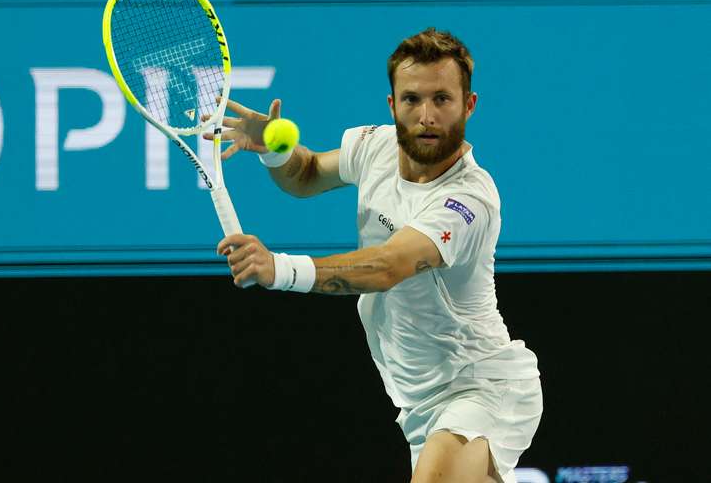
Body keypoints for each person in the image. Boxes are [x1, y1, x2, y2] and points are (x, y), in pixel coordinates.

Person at [210, 28, 542, 483]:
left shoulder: (469, 200)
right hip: (416, 400)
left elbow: (389, 266)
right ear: (392, 105)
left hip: (480, 385)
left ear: (469, 105)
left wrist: (280, 269)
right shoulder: (374, 146)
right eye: (412, 100)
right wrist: (273, 148)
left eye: (442, 99)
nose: (426, 116)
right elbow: (306, 174)